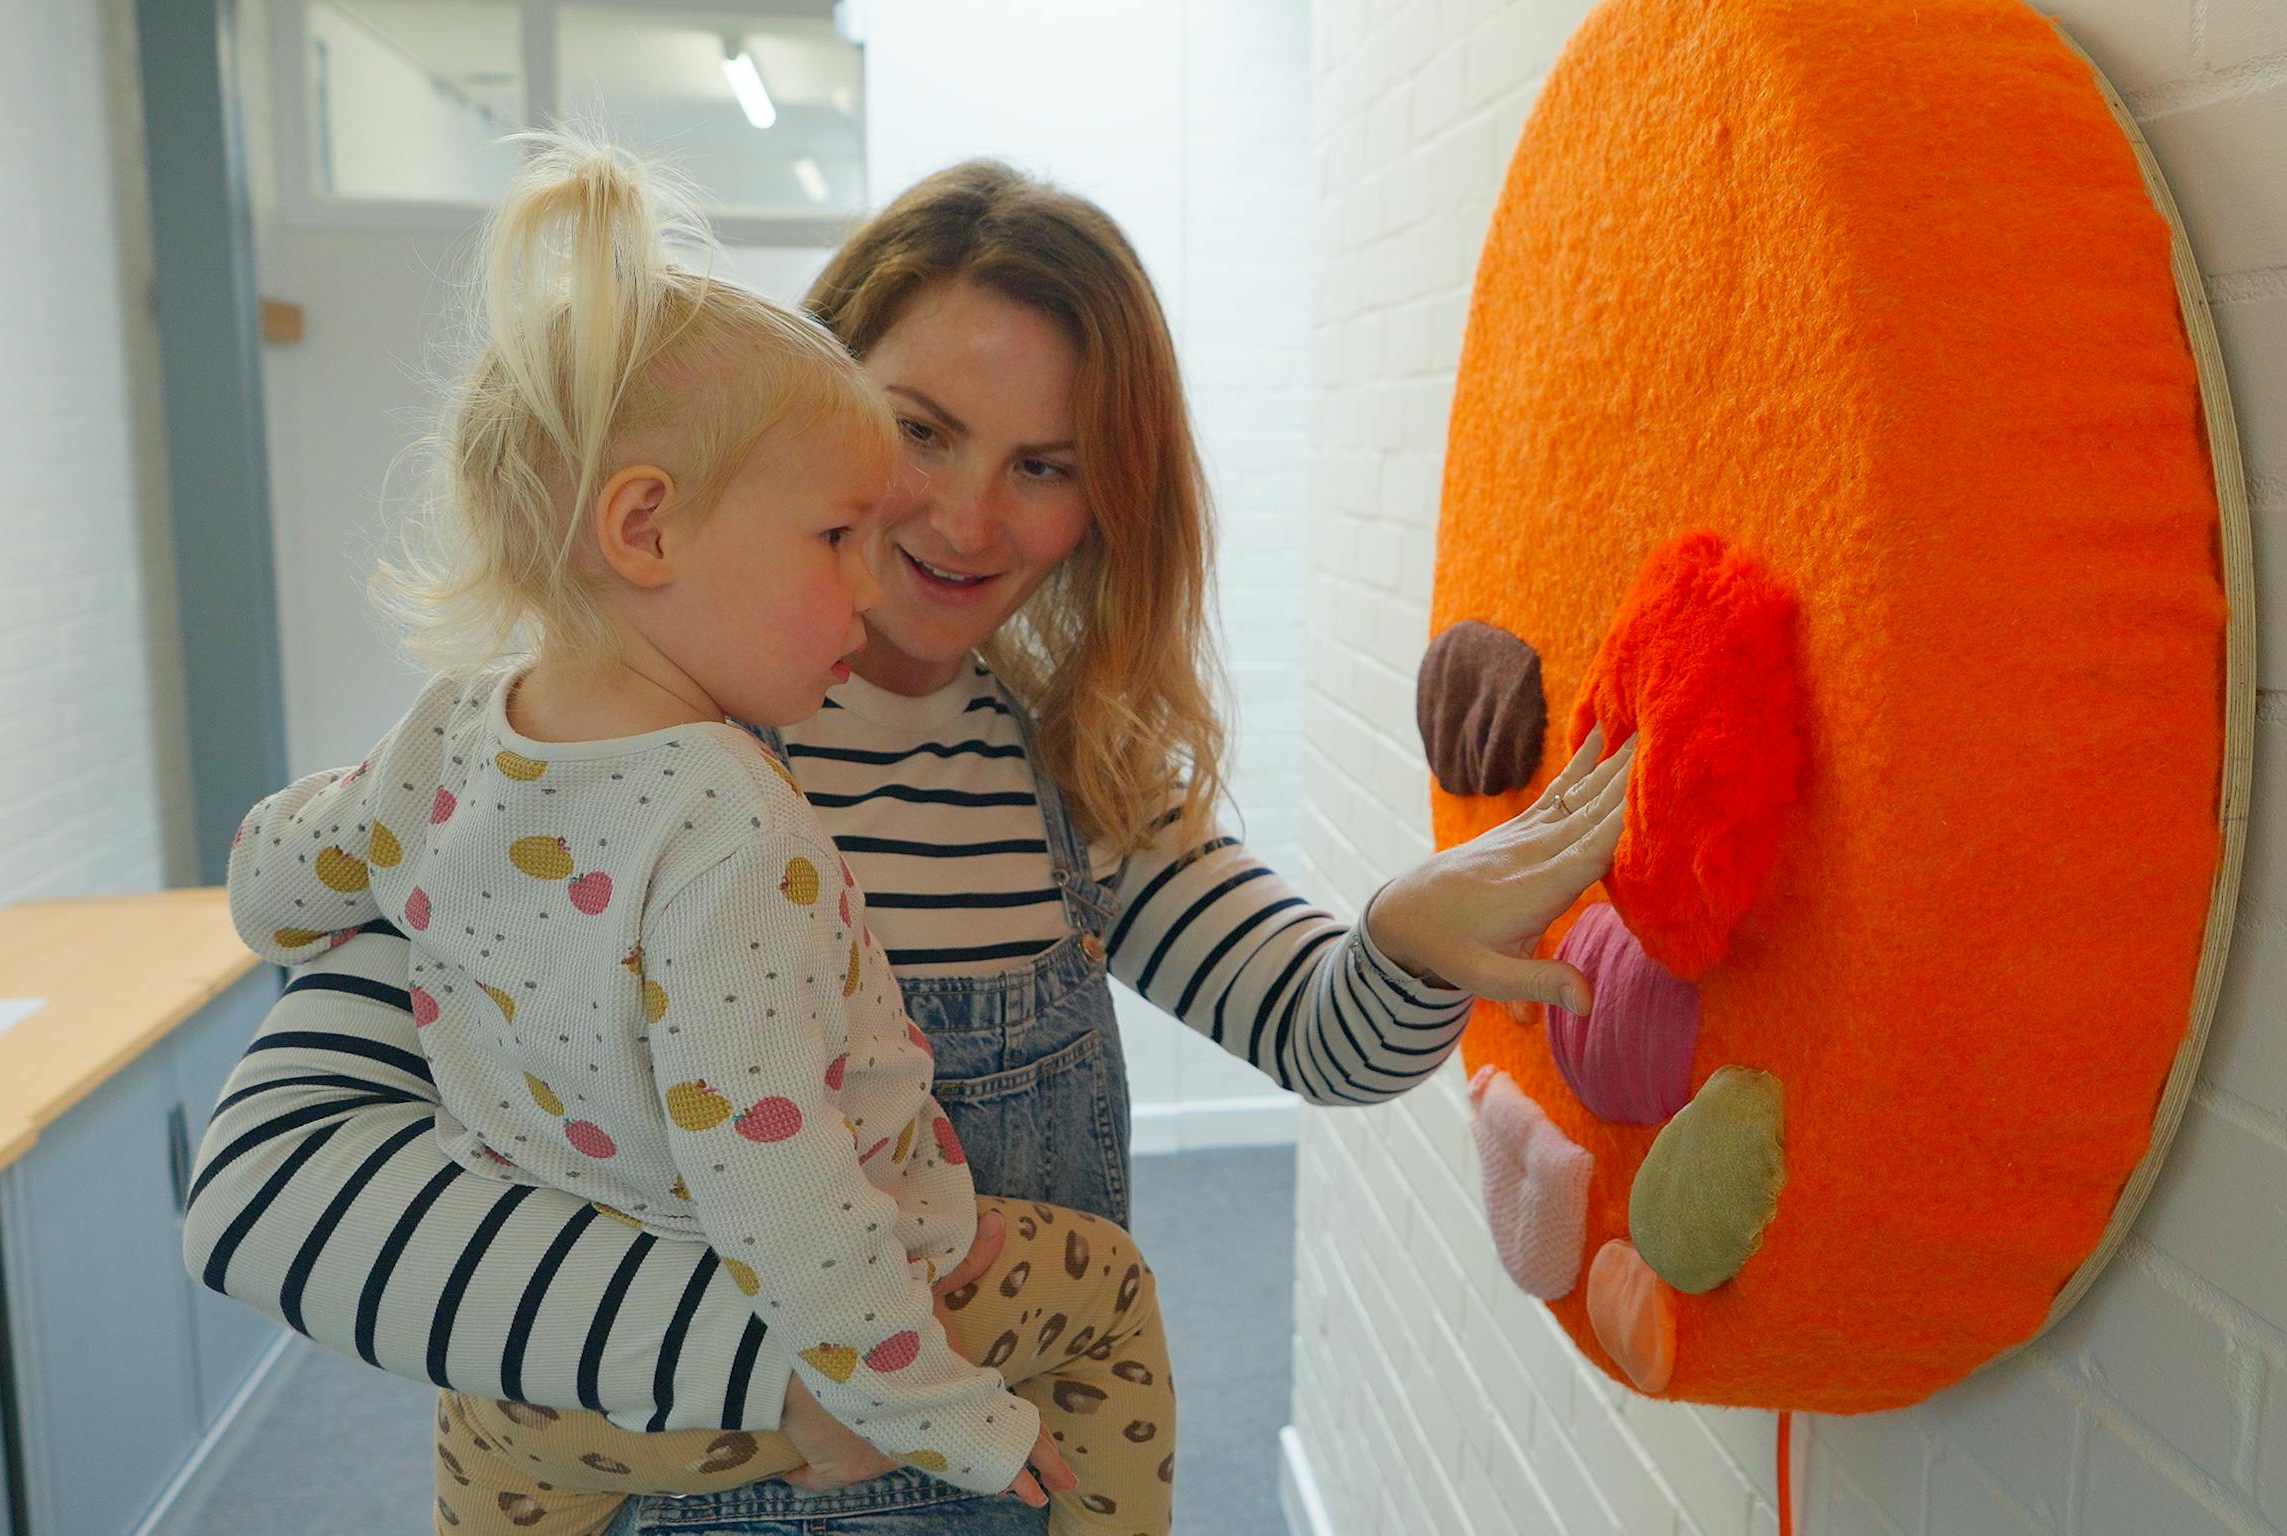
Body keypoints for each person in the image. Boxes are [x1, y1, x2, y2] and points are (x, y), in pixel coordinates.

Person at [183, 156, 1630, 1535]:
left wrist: (1405, 939)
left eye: (1047, 466)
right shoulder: (584, 772)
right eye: (919, 433)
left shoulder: (1075, 774)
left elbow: (1331, 1041)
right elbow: (269, 1194)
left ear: (1104, 509)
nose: (961, 517)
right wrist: (804, 1376)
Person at [221, 135, 1174, 1535]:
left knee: (484, 1467)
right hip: (816, 1359)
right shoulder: (740, 834)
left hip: (539, 1406)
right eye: (839, 529)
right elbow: (778, 1179)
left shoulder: (454, 737)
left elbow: (270, 881)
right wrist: (920, 1407)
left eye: (1044, 463)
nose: (897, 555)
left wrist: (329, 910)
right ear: (650, 527)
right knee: (1111, 1300)